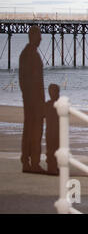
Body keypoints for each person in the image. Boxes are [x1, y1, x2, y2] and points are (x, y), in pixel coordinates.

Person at [19, 25, 46, 174]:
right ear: (33, 36)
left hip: (32, 100)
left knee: (31, 131)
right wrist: (34, 102)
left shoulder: (29, 53)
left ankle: (29, 162)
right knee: (33, 131)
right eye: (39, 35)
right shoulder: (29, 54)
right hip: (32, 101)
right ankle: (32, 163)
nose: (41, 38)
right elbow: (28, 81)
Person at [45, 84, 60, 175]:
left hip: (50, 131)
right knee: (53, 149)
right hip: (54, 131)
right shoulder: (56, 105)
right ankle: (52, 167)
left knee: (52, 149)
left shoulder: (47, 104)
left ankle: (53, 166)